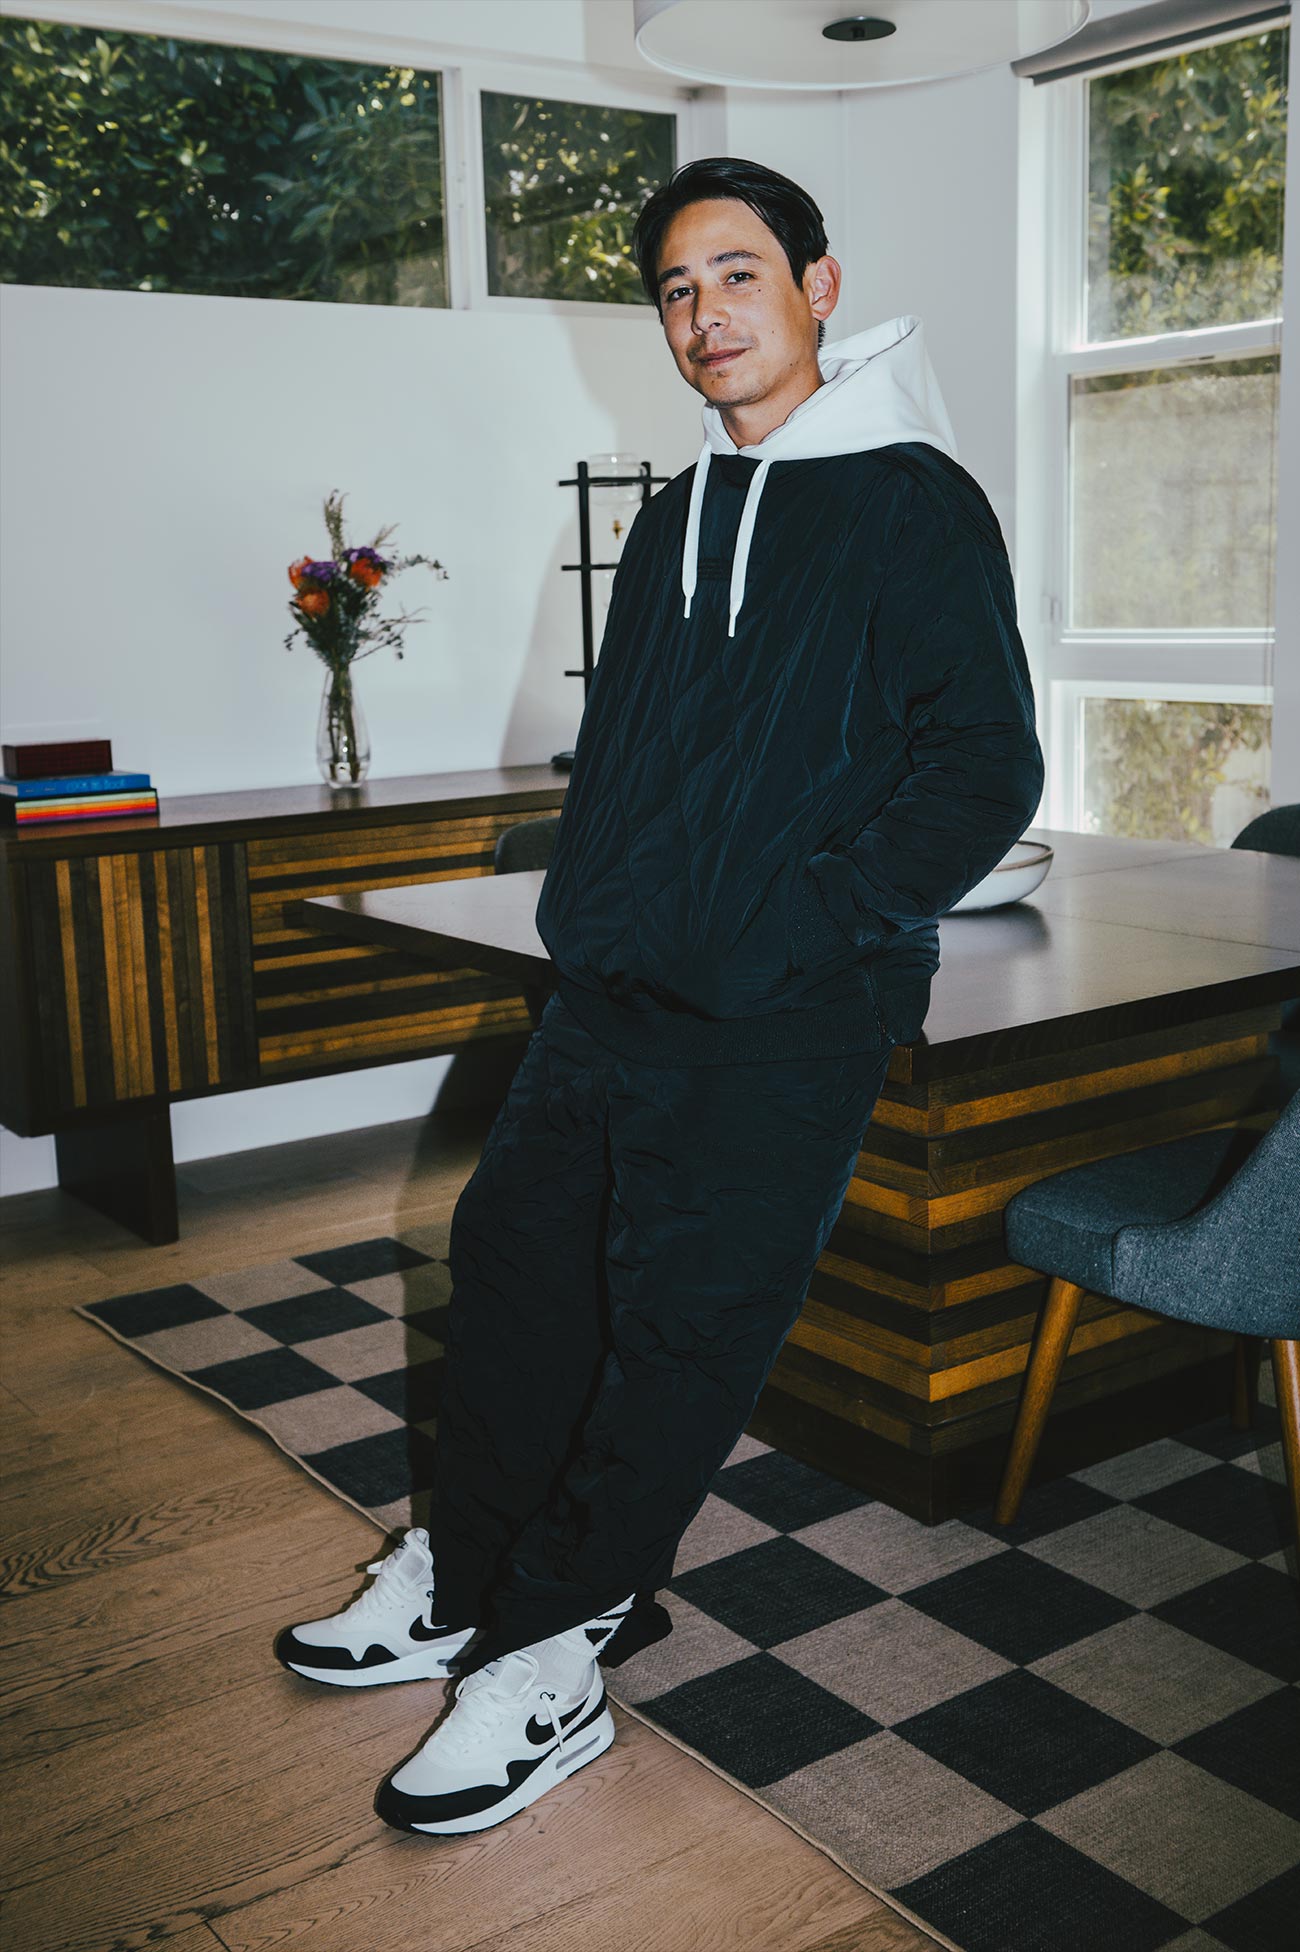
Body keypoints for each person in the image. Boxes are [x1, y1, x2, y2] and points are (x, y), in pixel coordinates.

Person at [276, 155, 1045, 1838]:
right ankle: (470, 1572)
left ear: (819, 289)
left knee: (682, 1334)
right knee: (517, 1265)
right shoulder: (683, 506)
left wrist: (801, 924)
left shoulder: (913, 500)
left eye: (738, 274)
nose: (705, 314)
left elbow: (987, 768)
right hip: (615, 983)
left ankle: (557, 1651)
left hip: (792, 1005)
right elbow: (630, 744)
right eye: (678, 290)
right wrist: (595, 903)